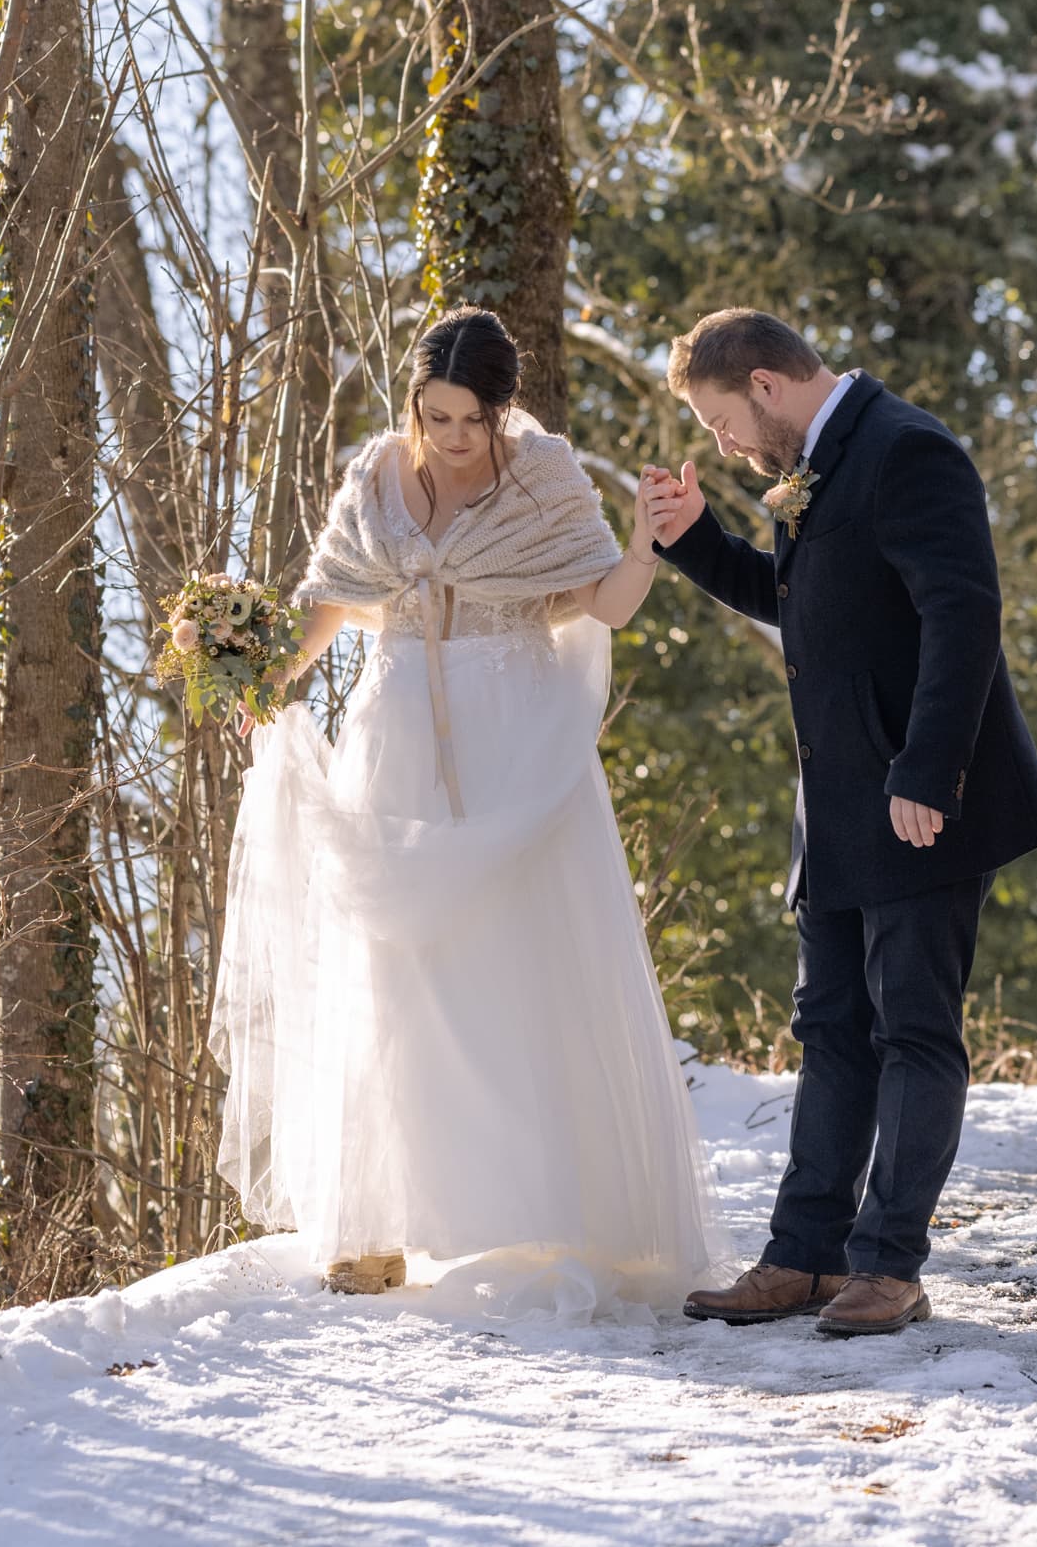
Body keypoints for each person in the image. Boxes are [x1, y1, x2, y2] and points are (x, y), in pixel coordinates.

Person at [209, 305, 727, 1320]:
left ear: (502, 409)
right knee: (394, 966)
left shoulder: (544, 475)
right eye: (434, 413)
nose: (449, 435)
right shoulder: (373, 474)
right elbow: (332, 595)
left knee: (521, 961)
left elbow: (603, 604)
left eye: (469, 419)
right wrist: (269, 679)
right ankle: (375, 1222)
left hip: (514, 735)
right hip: (394, 729)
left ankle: (553, 1209)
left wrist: (642, 542)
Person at [641, 309, 1037, 1337]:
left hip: (917, 800)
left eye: (719, 418)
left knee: (914, 1030)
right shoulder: (814, 464)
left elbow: (962, 612)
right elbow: (805, 607)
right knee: (830, 1032)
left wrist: (929, 769)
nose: (723, 443)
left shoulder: (905, 448)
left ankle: (888, 1264)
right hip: (832, 808)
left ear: (767, 384)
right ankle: (803, 1255)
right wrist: (694, 537)